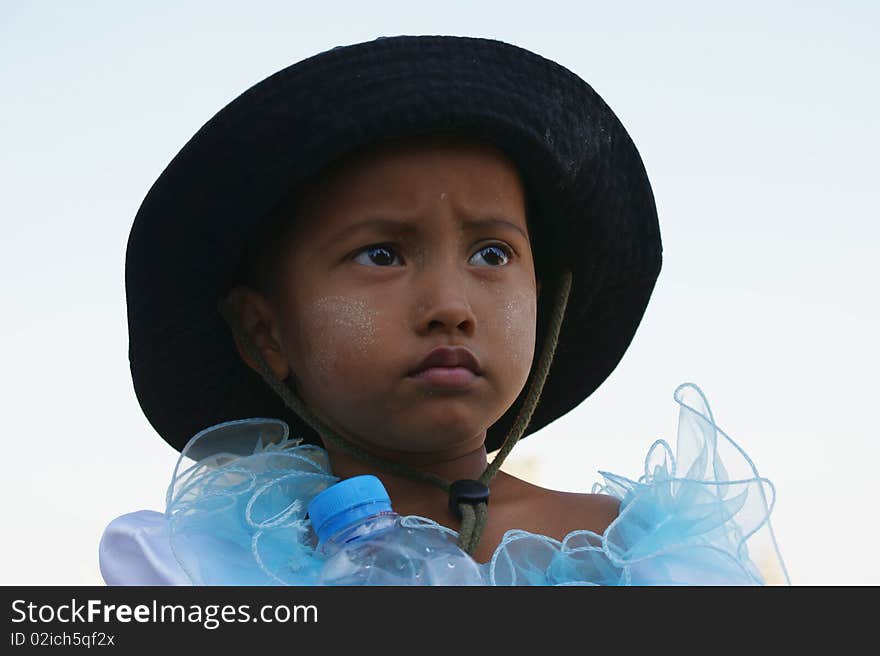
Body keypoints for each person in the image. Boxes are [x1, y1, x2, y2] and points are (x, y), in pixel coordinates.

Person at [100, 35, 789, 586]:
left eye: (492, 255)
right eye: (382, 255)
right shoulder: (207, 571)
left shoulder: (650, 561)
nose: (451, 307)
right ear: (265, 332)